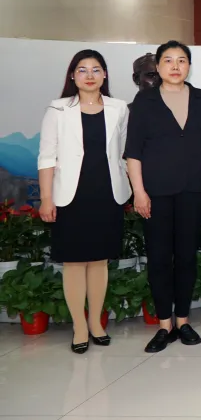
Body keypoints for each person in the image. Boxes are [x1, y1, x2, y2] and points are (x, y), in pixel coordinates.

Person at [37, 50, 130, 354]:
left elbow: (124, 153)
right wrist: (47, 198)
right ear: (72, 75)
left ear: (105, 75)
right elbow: (47, 158)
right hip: (71, 196)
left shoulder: (119, 108)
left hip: (107, 193)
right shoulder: (58, 109)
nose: (90, 75)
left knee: (100, 260)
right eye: (82, 70)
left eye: (96, 69)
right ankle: (79, 326)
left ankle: (95, 323)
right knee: (75, 262)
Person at [126, 41, 201, 353]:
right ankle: (164, 324)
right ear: (159, 66)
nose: (175, 66)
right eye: (168, 60)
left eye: (181, 60)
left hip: (192, 190)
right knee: (160, 258)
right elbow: (133, 152)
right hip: (156, 192)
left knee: (187, 256)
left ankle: (183, 321)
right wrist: (139, 192)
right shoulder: (145, 101)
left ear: (189, 65)